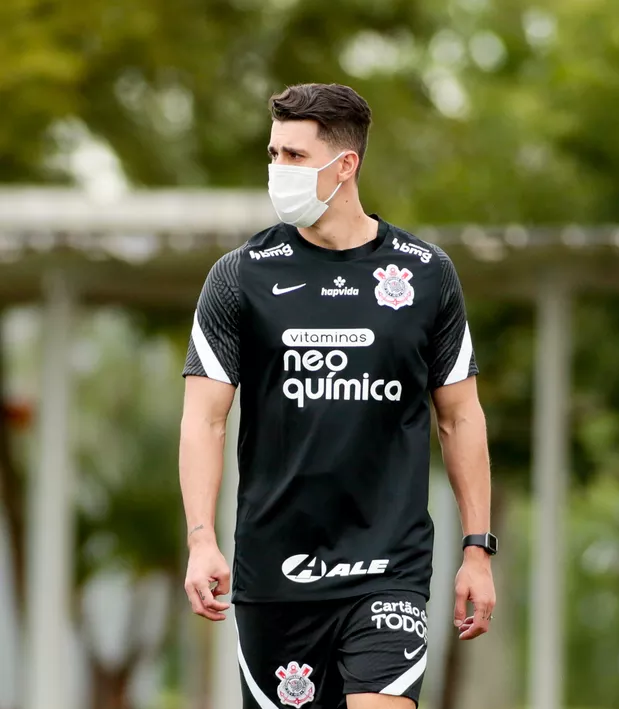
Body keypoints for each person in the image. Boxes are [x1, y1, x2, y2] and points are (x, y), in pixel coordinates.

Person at [179, 82, 497, 709]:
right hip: (275, 575)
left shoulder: (426, 273)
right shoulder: (239, 276)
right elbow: (203, 421)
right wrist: (200, 540)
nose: (277, 171)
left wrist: (477, 550)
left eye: (294, 157)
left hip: (390, 569)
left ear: (345, 165)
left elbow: (460, 418)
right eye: (272, 155)